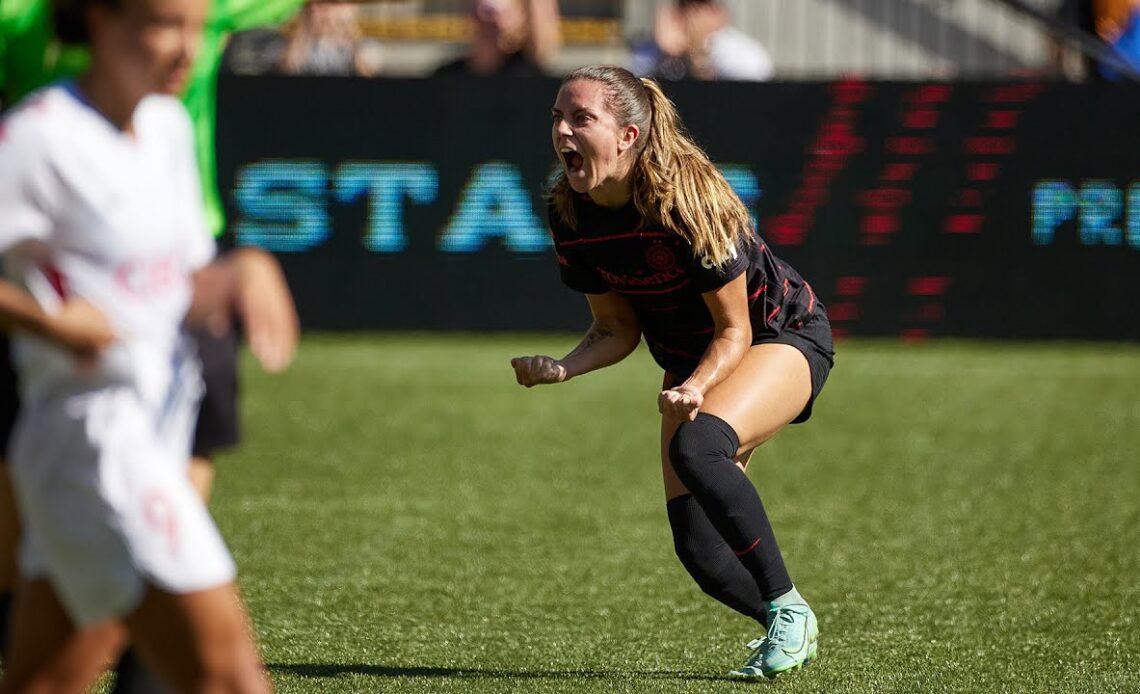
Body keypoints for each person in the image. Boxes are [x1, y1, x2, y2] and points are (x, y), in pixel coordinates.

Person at [0, 0, 296, 689]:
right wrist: (47, 321)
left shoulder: (165, 129)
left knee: (47, 680)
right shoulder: (39, 139)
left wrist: (244, 269)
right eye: (166, 24)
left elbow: (173, 291)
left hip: (153, 428)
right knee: (231, 680)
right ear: (101, 19)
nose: (188, 48)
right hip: (96, 445)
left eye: (198, 27)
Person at [511, 65, 833, 680]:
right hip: (696, 362)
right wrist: (564, 368)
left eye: (581, 118)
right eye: (557, 116)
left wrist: (694, 386)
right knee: (701, 551)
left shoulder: (686, 200)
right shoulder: (570, 214)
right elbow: (616, 328)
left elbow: (736, 330)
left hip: (779, 336)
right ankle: (787, 619)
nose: (562, 131)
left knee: (698, 444)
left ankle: (788, 610)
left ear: (628, 135)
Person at [630, 0, 773, 82]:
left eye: (700, 6)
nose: (691, 14)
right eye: (685, 6)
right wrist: (665, 54)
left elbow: (749, 92)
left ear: (720, 13)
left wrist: (697, 52)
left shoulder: (742, 51)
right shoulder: (654, 48)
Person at [433, 0, 560, 78]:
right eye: (483, 11)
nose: (490, 20)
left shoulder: (525, 74)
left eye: (497, 13)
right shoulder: (448, 76)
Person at [279, 0, 382, 77]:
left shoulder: (365, 45)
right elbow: (286, 68)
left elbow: (366, 71)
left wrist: (346, 27)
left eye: (330, 5)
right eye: (317, 5)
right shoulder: (297, 44)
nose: (321, 11)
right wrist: (306, 26)